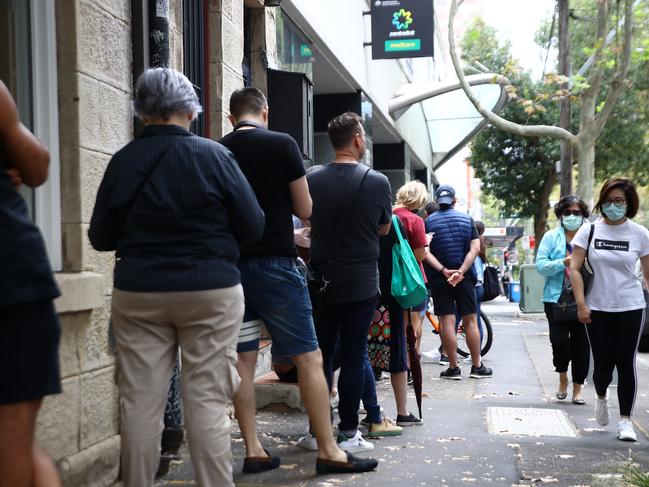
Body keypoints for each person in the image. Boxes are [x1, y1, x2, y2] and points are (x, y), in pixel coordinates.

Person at [89, 68, 265, 487]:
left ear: (141, 110)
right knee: (206, 401)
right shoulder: (216, 156)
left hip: (139, 292)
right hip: (211, 289)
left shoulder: (123, 160)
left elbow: (100, 236)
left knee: (139, 405)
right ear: (191, 108)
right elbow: (253, 225)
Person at [220, 90, 377, 474]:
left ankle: (254, 450)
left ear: (230, 118)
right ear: (265, 113)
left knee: (243, 360)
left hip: (233, 270)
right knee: (309, 356)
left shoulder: (218, 150)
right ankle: (328, 450)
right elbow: (306, 209)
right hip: (276, 266)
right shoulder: (282, 145)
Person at [308, 112, 402, 453]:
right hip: (361, 280)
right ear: (358, 139)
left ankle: (316, 430)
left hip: (322, 280)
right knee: (353, 352)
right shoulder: (377, 182)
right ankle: (348, 432)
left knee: (319, 354)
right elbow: (383, 229)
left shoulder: (312, 177)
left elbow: (307, 218)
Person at [0, 80, 62, 487]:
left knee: (12, 441)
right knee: (14, 440)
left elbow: (36, 166)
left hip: (12, 284)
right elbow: (35, 164)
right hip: (14, 277)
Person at [571, 178, 649, 442]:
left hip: (631, 305)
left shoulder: (640, 234)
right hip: (597, 307)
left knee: (625, 362)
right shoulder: (589, 231)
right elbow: (575, 269)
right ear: (602, 202)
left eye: (619, 201)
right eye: (609, 201)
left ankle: (625, 420)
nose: (613, 205)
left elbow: (648, 276)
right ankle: (602, 396)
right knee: (603, 363)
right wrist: (581, 304)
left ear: (629, 204)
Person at [424, 185, 492, 380]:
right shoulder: (467, 219)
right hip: (465, 278)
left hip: (439, 278)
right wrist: (461, 271)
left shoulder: (428, 222)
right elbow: (475, 248)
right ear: (454, 200)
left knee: (446, 321)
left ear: (438, 201)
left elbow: (425, 252)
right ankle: (477, 366)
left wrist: (444, 271)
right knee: (471, 320)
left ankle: (453, 367)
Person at [377, 181, 427, 427]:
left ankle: (370, 410)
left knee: (361, 353)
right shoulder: (408, 222)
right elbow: (418, 255)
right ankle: (402, 411)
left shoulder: (366, 219)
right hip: (395, 293)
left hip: (364, 292)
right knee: (401, 343)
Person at [536, 196, 591, 405]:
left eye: (577, 213)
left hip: (585, 299)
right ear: (560, 214)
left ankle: (578, 388)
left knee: (581, 345)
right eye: (567, 212)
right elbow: (541, 266)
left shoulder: (590, 236)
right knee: (559, 342)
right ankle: (562, 378)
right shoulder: (551, 237)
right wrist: (563, 262)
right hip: (555, 299)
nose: (572, 216)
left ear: (583, 215)